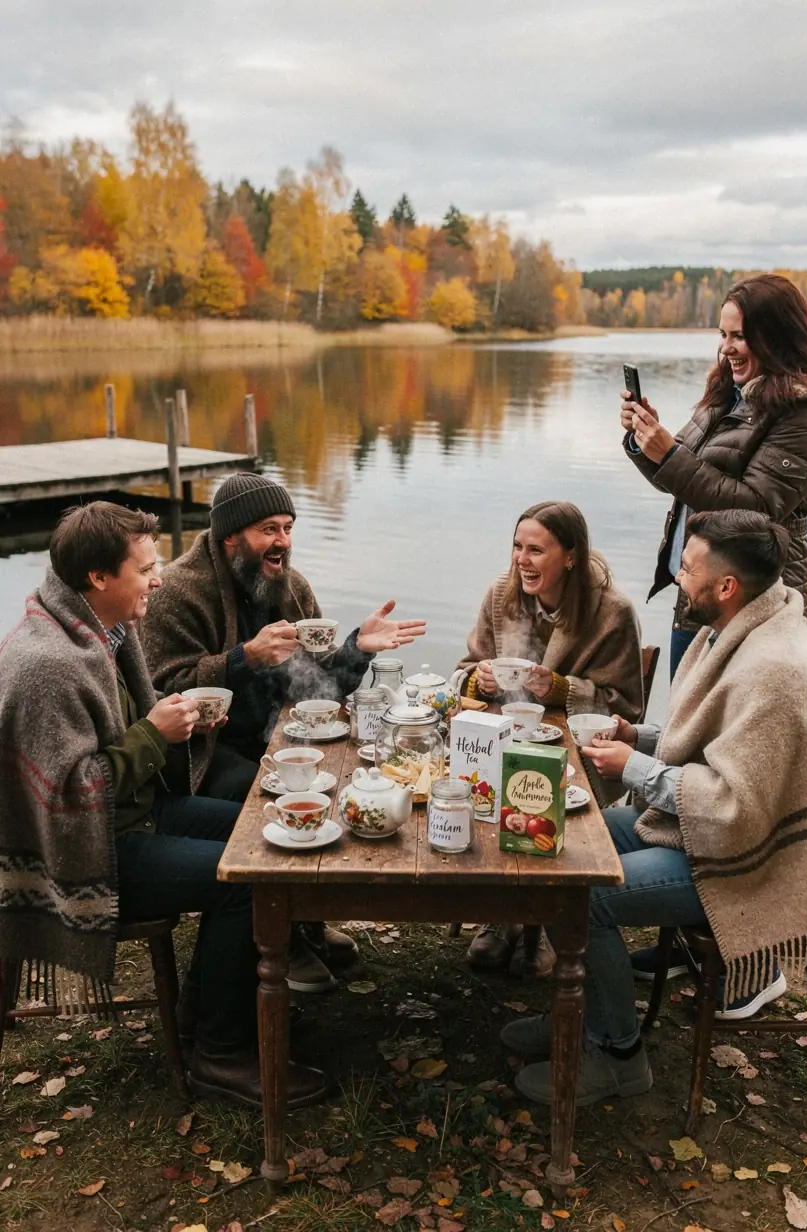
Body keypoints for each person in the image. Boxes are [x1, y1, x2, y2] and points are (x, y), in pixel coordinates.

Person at [0, 502, 327, 1110]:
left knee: (266, 828)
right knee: (247, 880)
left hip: (132, 816)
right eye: (146, 568)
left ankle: (205, 1009)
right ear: (100, 577)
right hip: (86, 852)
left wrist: (187, 728)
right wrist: (155, 733)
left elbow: (126, 742)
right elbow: (71, 797)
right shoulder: (49, 665)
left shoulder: (97, 634)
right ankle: (221, 1055)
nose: (158, 579)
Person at [502, 510, 807, 1105]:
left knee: (580, 894)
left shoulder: (774, 670)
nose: (677, 578)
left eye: (688, 567)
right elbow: (702, 738)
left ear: (726, 585)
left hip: (746, 861)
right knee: (558, 837)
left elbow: (734, 809)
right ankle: (581, 1012)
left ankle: (617, 1054)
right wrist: (636, 735)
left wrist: (635, 769)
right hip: (695, 828)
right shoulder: (731, 627)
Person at [140, 470, 426, 993]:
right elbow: (158, 695)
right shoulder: (177, 593)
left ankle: (303, 919)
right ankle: (283, 936)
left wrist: (358, 649)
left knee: (332, 781)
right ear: (231, 536)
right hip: (203, 752)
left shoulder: (290, 588)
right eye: (268, 530)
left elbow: (321, 688)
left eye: (289, 528)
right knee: (275, 795)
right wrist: (240, 659)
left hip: (280, 737)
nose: (283, 543)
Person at [453, 500, 643, 975]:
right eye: (517, 546)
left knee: (541, 792)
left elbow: (626, 710)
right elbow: (464, 672)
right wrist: (481, 680)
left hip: (575, 751)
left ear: (571, 556)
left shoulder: (611, 611)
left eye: (536, 549)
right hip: (498, 737)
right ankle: (503, 917)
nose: (522, 559)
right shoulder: (501, 594)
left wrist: (561, 689)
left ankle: (541, 925)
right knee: (480, 781)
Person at [621, 273, 807, 681]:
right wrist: (645, 439)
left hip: (755, 604)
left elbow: (756, 510)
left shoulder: (802, 412)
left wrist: (669, 454)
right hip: (699, 593)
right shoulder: (725, 394)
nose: (727, 348)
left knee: (740, 737)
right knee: (684, 730)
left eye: (740, 336)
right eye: (722, 334)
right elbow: (677, 479)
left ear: (776, 337)